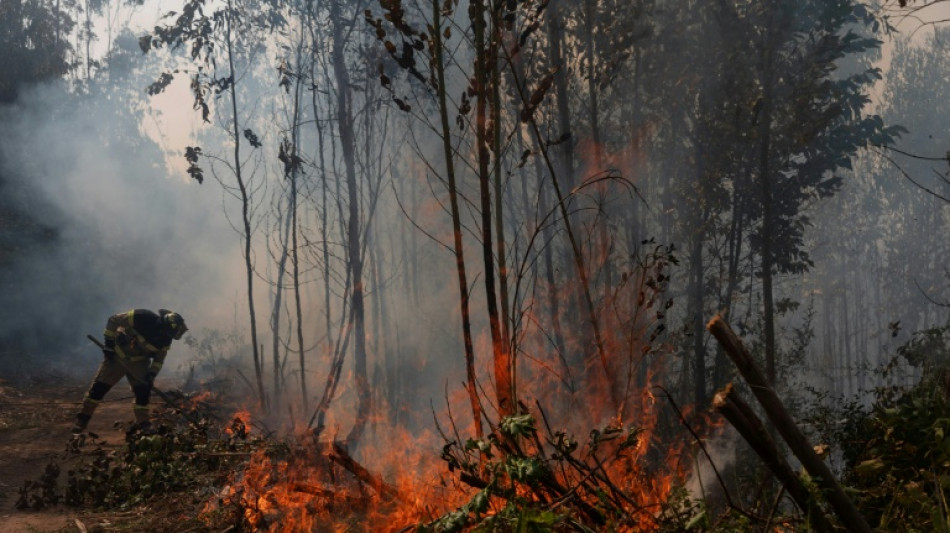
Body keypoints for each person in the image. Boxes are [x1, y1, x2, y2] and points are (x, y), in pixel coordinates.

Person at [71, 308, 188, 433]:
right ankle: (82, 420)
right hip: (117, 357)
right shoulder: (141, 316)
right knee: (98, 390)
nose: (167, 335)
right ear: (163, 326)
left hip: (138, 363)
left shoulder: (165, 340)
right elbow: (113, 320)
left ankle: (144, 424)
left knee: (143, 393)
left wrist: (151, 375)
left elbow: (159, 360)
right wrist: (109, 345)